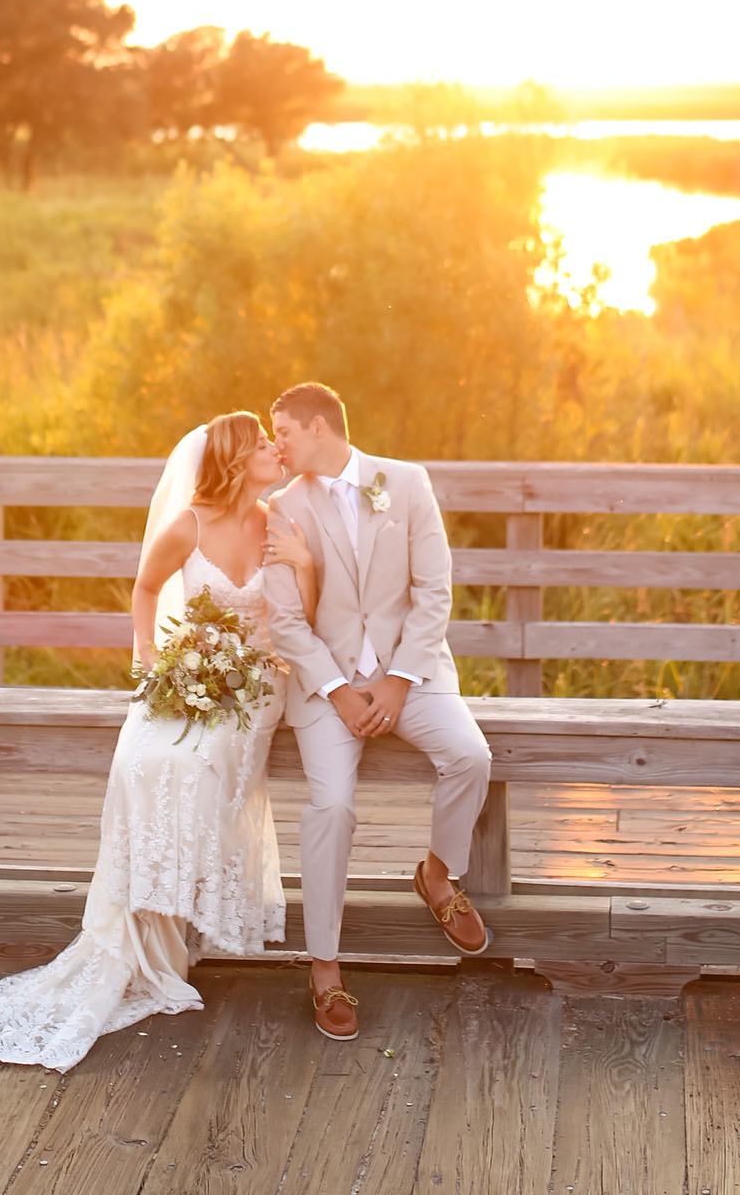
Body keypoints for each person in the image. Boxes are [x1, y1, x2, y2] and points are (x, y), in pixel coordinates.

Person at [0, 411, 316, 1072]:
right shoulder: (190, 522)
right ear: (236, 459)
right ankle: (146, 925)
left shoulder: (276, 521)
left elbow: (303, 611)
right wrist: (152, 657)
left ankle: (183, 917)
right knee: (147, 759)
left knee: (201, 765)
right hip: (193, 665)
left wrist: (305, 562)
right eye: (263, 445)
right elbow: (146, 589)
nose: (275, 450)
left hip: (259, 679)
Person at [262, 382, 494, 1042]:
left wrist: (397, 681)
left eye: (283, 432)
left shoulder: (407, 483)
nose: (277, 445)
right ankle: (326, 968)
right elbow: (283, 621)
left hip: (411, 673)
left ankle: (438, 875)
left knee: (470, 756)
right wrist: (337, 690)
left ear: (317, 427)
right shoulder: (283, 507)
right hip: (326, 684)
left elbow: (434, 591)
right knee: (331, 806)